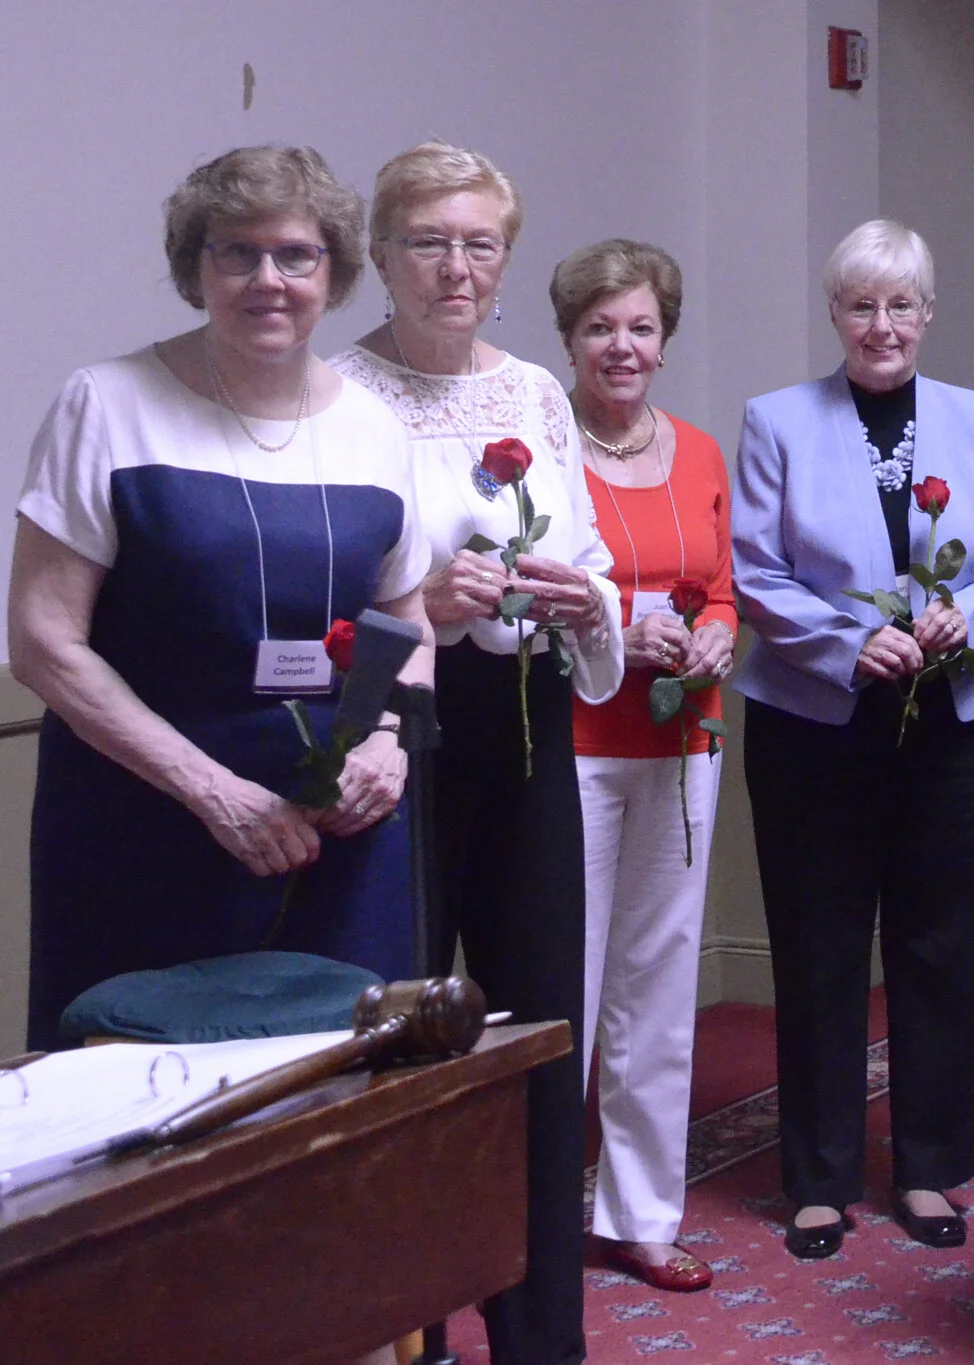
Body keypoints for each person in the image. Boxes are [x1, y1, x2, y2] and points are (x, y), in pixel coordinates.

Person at [14, 145, 432, 1053]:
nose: (267, 279)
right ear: (195, 269)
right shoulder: (108, 403)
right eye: (234, 253)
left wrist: (390, 742)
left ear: (335, 272)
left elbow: (407, 623)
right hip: (147, 820)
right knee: (144, 1116)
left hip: (339, 834)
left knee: (342, 1094)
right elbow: (43, 641)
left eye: (295, 254)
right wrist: (210, 790)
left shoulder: (376, 427)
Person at [331, 140, 623, 1365]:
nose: (457, 267)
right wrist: (423, 611)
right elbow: (325, 599)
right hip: (393, 734)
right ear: (383, 258)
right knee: (395, 1040)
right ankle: (409, 1334)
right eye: (430, 242)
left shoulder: (536, 395)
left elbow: (599, 561)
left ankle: (539, 1337)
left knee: (536, 1035)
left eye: (480, 244)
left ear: (507, 263)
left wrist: (580, 601)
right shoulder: (335, 392)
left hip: (527, 729)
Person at [731, 219, 974, 1259]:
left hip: (955, 723)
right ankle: (817, 1178)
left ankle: (932, 1168)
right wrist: (851, 641)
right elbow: (756, 575)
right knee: (818, 948)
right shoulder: (776, 420)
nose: (882, 325)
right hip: (819, 721)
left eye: (902, 304)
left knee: (942, 947)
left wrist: (973, 618)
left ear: (929, 314)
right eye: (861, 304)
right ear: (835, 314)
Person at [551, 239, 734, 1293]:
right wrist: (629, 621)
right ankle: (533, 1219)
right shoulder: (539, 446)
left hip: (685, 743)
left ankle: (641, 1216)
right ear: (570, 339)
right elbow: (537, 586)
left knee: (659, 991)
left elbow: (719, 586)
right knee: (565, 991)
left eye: (641, 328)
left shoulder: (701, 452)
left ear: (665, 338)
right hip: (578, 748)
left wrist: (717, 635)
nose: (622, 347)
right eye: (599, 328)